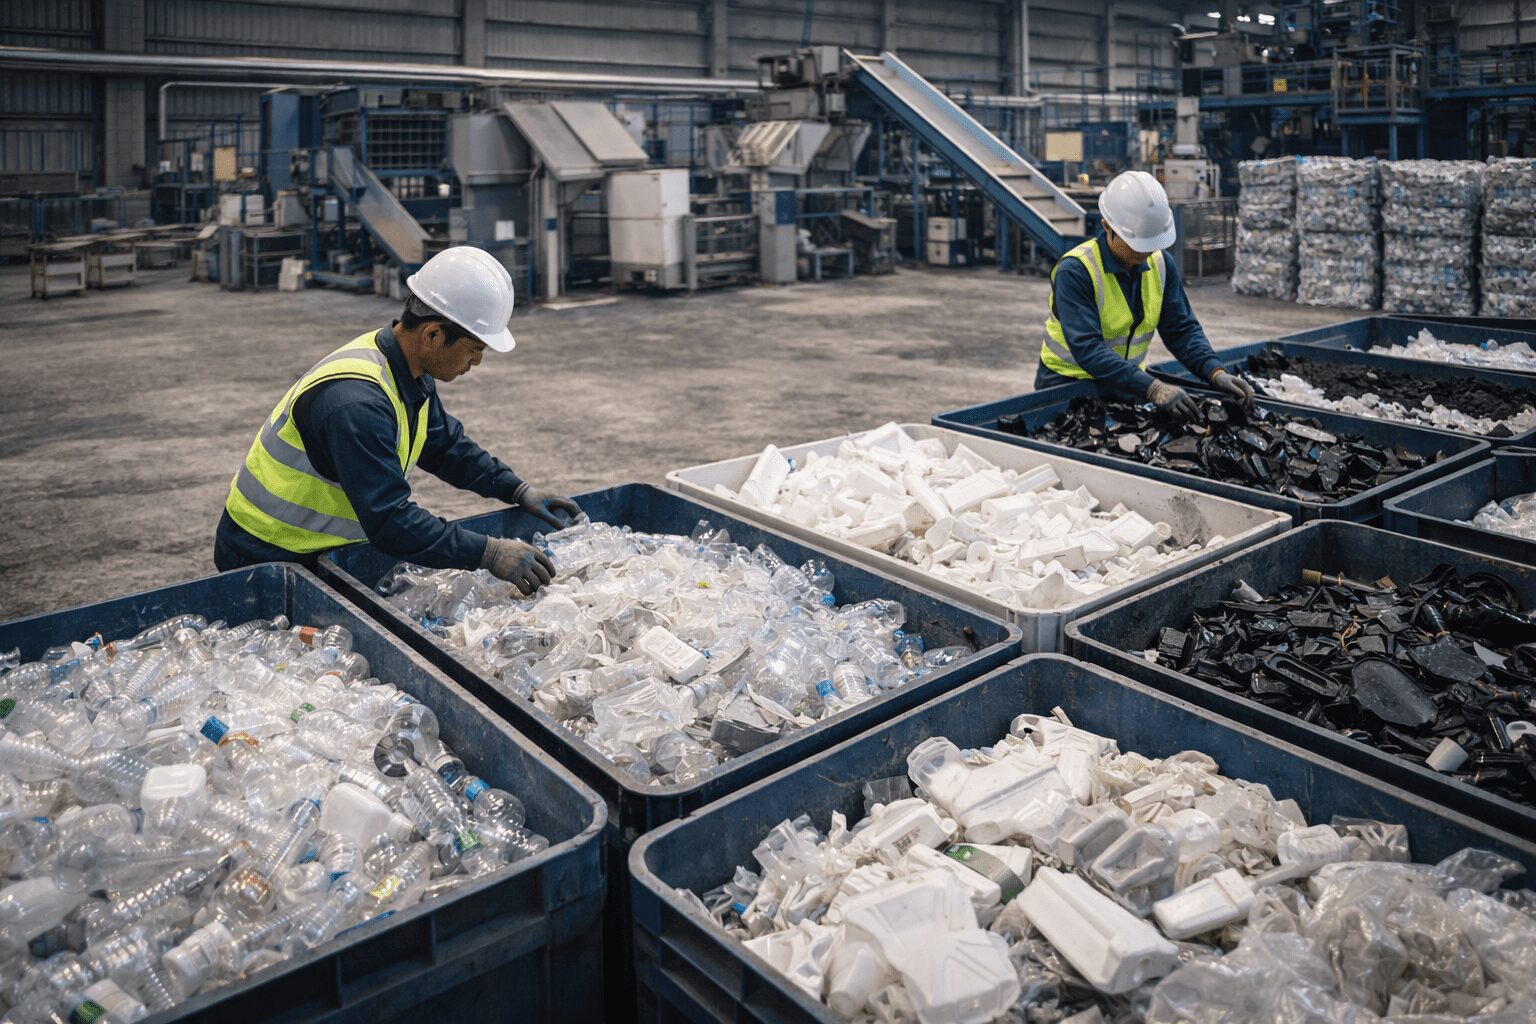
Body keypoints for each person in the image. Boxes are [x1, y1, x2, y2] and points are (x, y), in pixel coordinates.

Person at [215, 246, 579, 596]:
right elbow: (390, 521)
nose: (477, 362)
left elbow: (445, 445)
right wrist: (489, 554)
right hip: (267, 552)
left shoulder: (409, 370)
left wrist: (517, 490)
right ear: (433, 334)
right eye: (474, 348)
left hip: (317, 547)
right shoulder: (356, 403)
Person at [1036, 170, 1254, 419]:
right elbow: (1088, 349)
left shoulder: (1161, 264)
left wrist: (1214, 371)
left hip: (1125, 383)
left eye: (1152, 243)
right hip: (1066, 387)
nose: (1146, 253)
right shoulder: (1076, 271)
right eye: (1137, 244)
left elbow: (1181, 330)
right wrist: (1152, 387)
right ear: (1107, 227)